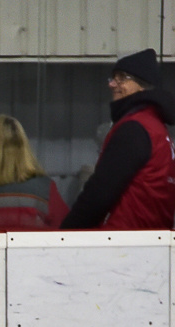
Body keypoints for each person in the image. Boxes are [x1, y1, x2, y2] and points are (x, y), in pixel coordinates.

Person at [61, 48, 175, 229]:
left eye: (122, 78)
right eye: (113, 78)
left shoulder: (135, 128)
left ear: (142, 85)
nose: (112, 84)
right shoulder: (158, 129)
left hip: (121, 241)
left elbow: (99, 193)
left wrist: (64, 237)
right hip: (152, 240)